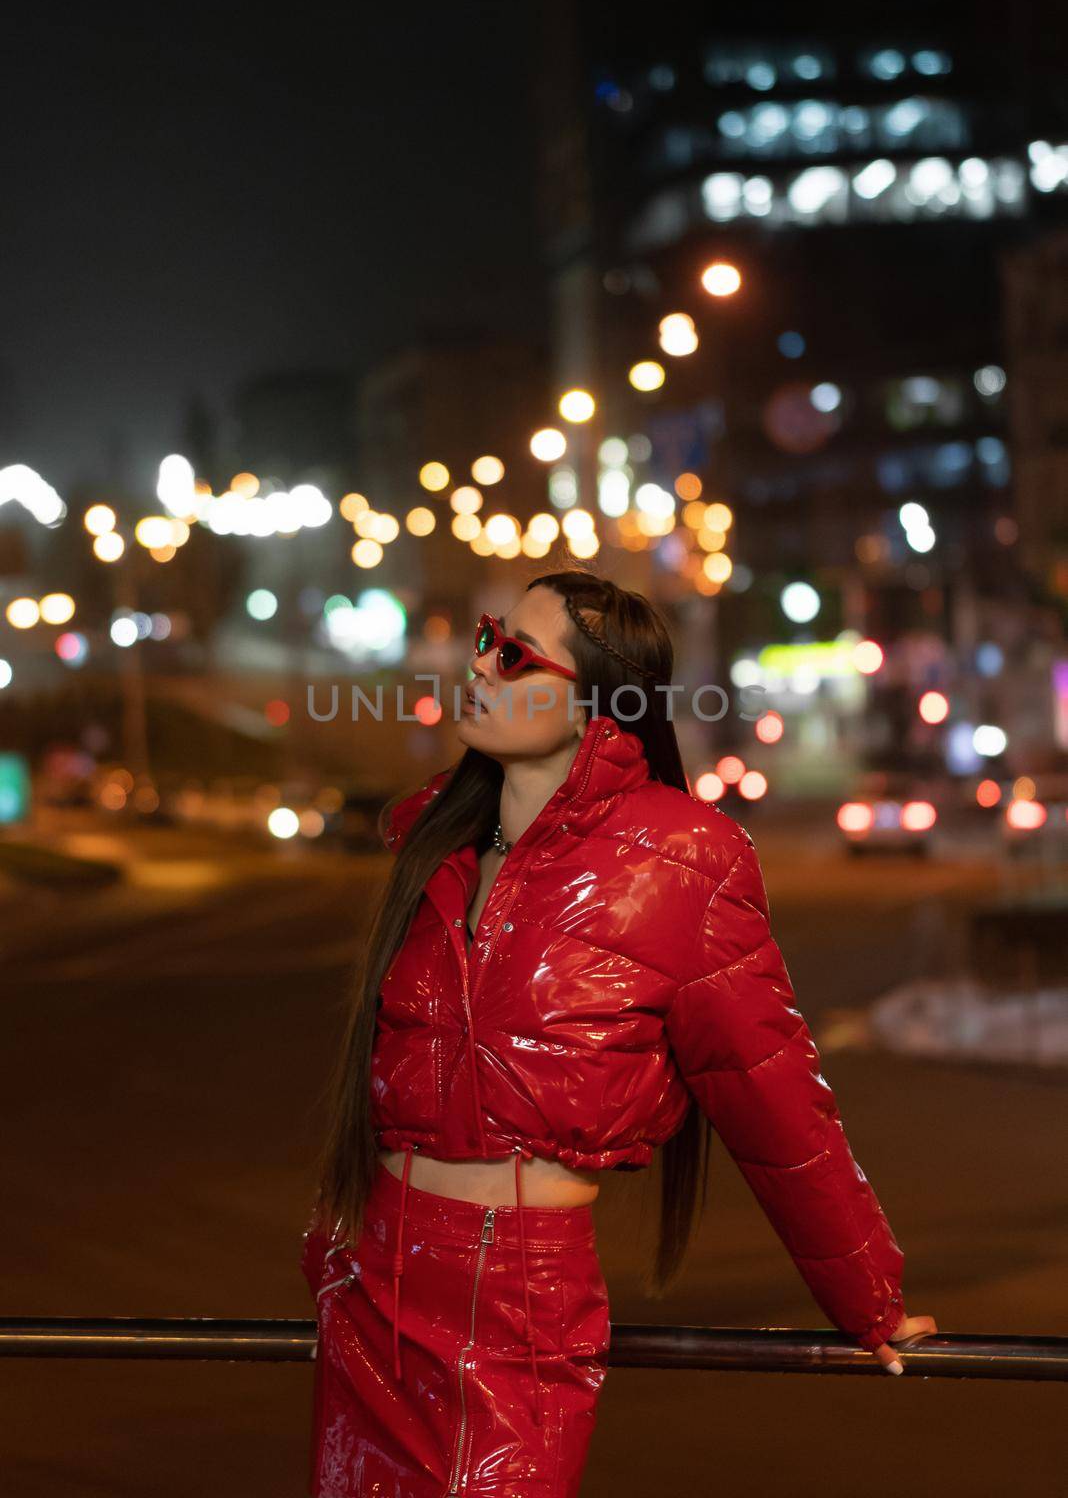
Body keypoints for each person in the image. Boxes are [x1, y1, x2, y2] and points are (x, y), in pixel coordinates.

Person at [300, 569, 936, 1497]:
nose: (479, 664)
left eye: (515, 654)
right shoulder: (433, 842)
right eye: (487, 636)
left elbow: (773, 1095)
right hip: (373, 1287)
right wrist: (332, 1247)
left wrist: (869, 1299)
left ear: (600, 705)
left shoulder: (687, 860)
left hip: (521, 1299)